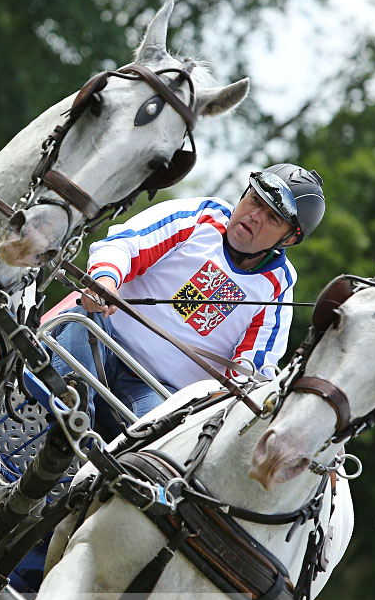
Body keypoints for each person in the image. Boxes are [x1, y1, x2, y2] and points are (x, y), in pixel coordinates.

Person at [50, 163, 325, 438]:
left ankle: (73, 434)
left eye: (273, 217)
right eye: (255, 200)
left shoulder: (278, 287)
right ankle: (70, 413)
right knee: (83, 322)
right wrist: (105, 282)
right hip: (102, 340)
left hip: (158, 393)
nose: (254, 216)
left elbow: (252, 373)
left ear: (288, 239)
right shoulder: (201, 217)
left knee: (167, 434)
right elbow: (125, 245)